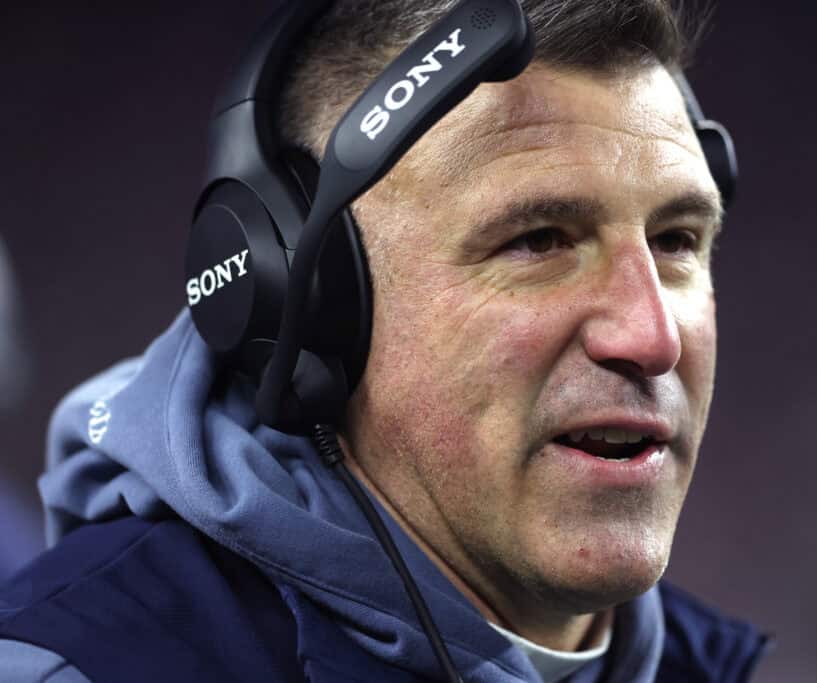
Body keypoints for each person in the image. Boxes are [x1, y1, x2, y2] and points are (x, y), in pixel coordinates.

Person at [0, 1, 768, 681]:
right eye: (538, 240)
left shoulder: (697, 660)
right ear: (309, 306)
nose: (652, 336)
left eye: (676, 240)